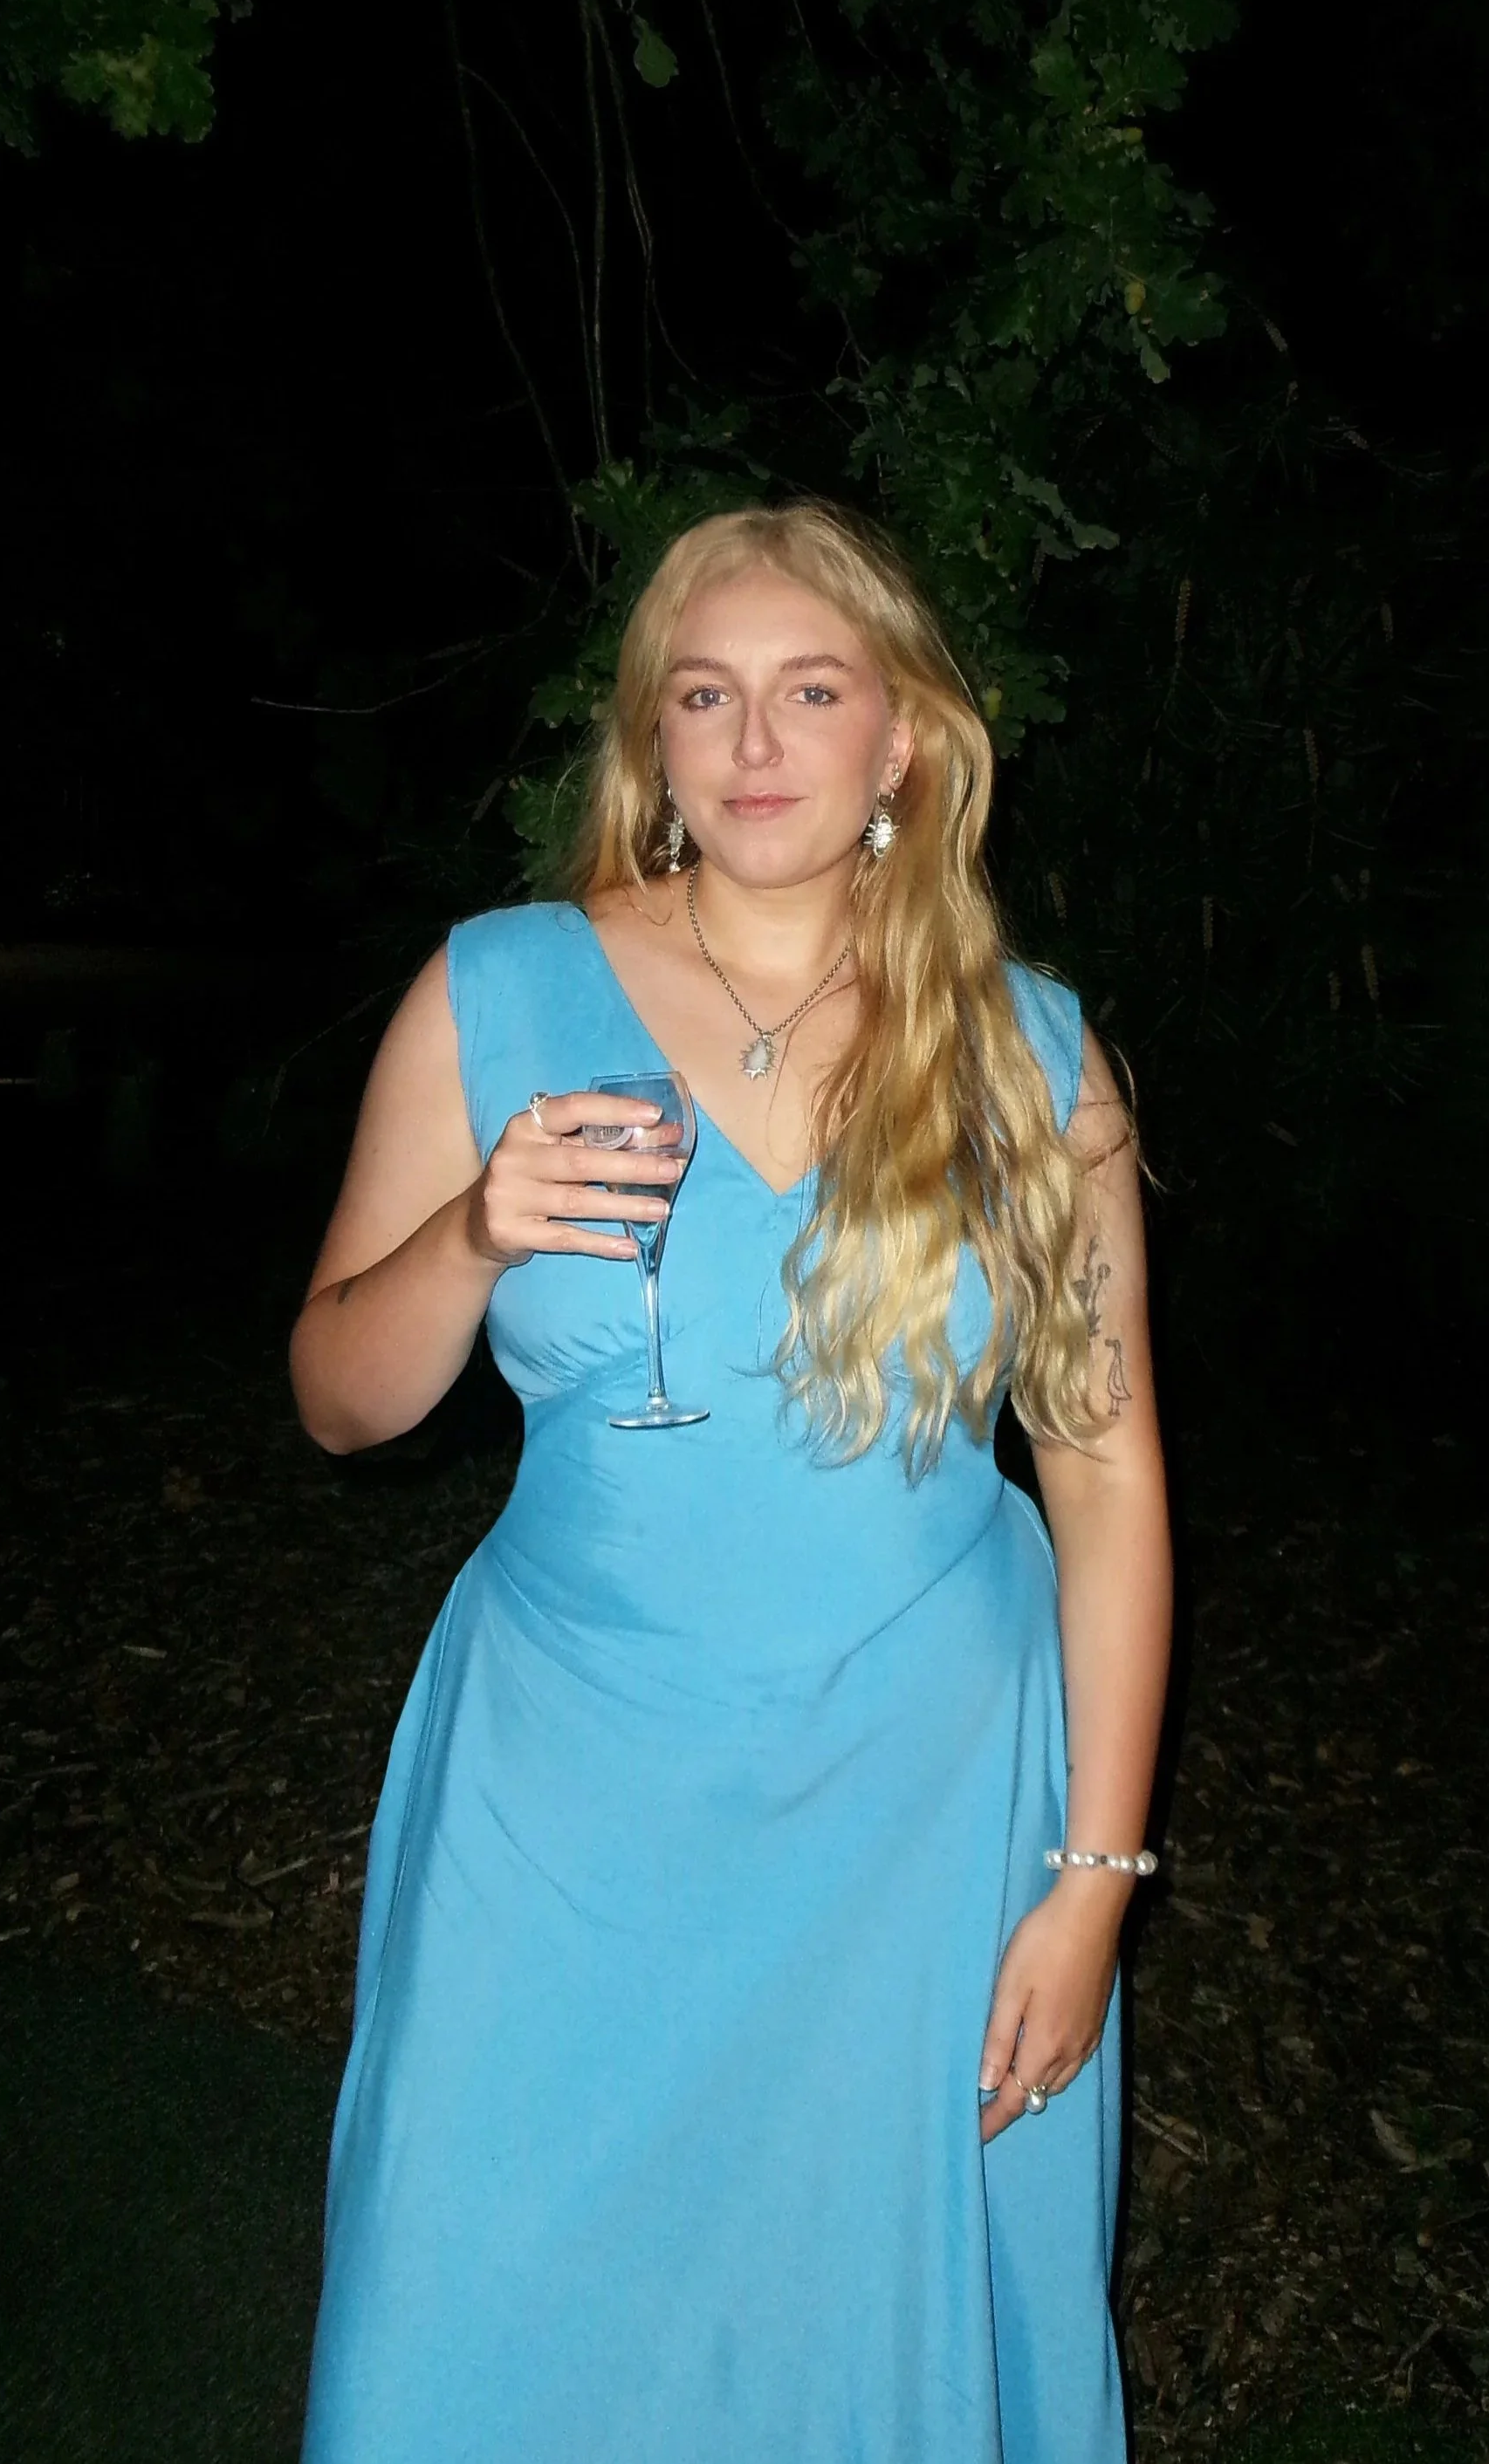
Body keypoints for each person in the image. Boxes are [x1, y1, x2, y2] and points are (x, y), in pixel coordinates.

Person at [290, 501, 1172, 2463]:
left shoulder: (1031, 1054)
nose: (756, 741)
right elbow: (342, 1406)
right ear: (653, 742)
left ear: (903, 738)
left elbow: (1105, 1473)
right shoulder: (496, 988)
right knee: (484, 2302)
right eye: (705, 695)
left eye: (811, 691)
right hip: (559, 1797)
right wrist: (471, 1236)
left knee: (843, 2329)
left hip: (919, 1813)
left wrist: (1093, 1885)